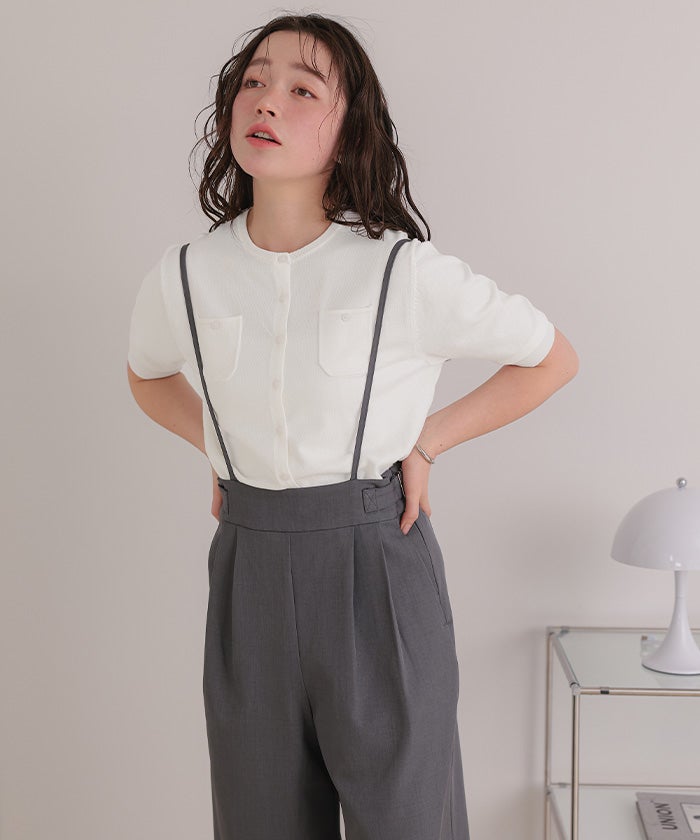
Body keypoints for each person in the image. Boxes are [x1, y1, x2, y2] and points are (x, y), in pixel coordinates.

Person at [127, 12, 578, 840]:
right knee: (258, 821)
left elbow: (550, 358)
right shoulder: (187, 274)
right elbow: (146, 374)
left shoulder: (401, 269)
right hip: (249, 568)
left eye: (303, 89)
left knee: (407, 822)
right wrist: (218, 445)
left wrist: (428, 441)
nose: (268, 100)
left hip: (377, 566)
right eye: (255, 81)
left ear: (349, 128)